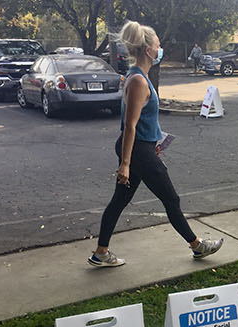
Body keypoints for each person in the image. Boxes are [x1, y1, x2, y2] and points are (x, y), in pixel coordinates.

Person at [90, 21, 223, 269]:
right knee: (171, 198)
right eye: (158, 45)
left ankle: (101, 252)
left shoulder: (136, 77)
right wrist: (126, 165)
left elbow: (142, 123)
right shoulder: (139, 81)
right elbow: (130, 126)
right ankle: (197, 246)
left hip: (142, 148)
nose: (160, 49)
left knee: (119, 201)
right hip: (137, 151)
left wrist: (154, 143)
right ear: (148, 49)